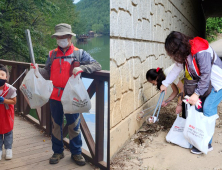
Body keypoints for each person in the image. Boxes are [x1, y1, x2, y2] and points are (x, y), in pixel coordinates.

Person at [32, 23, 101, 166]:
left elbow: (97, 65)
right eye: (59, 37)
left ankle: (76, 153)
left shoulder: (79, 53)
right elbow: (46, 72)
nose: (62, 39)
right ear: (56, 38)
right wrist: (37, 71)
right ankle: (58, 152)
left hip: (72, 96)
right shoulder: (52, 54)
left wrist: (82, 68)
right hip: (55, 96)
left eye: (64, 36)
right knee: (56, 125)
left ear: (70, 37)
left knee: (74, 125)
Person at [160, 31, 222, 154]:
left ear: (179, 48)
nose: (174, 56)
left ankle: (206, 143)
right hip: (206, 85)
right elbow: (176, 68)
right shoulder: (184, 54)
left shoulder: (200, 51)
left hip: (217, 84)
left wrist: (196, 94)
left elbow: (205, 75)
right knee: (198, 110)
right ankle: (198, 138)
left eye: (173, 53)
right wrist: (165, 83)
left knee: (208, 108)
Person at [0, 64, 17, 160]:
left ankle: (8, 149)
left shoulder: (10, 89)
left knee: (8, 133)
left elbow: (14, 101)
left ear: (6, 77)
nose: (0, 77)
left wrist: (4, 101)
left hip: (7, 114)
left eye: (2, 74)